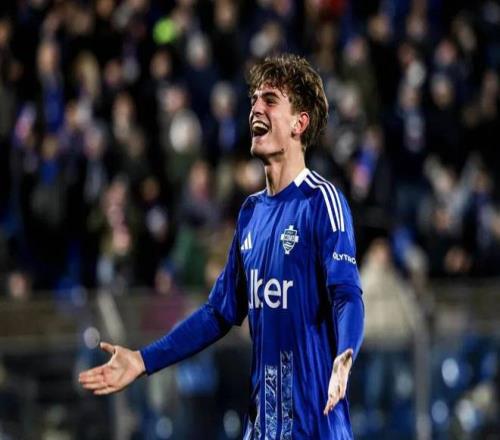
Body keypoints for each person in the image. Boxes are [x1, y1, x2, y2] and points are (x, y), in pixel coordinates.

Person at [79, 53, 364, 439]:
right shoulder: (250, 214)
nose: (256, 108)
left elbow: (346, 293)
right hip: (262, 429)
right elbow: (218, 313)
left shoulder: (322, 202)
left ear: (300, 123)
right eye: (254, 100)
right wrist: (144, 360)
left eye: (270, 100)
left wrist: (346, 352)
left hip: (316, 428)